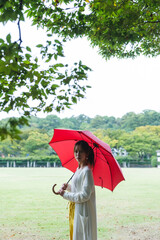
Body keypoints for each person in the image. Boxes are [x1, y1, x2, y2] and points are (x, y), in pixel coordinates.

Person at [58, 140, 97, 240]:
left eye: (81, 151)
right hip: (76, 208)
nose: (78, 154)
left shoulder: (87, 171)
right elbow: (77, 189)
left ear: (87, 153)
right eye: (76, 151)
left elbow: (85, 195)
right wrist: (68, 187)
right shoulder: (78, 169)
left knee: (84, 236)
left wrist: (65, 195)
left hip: (84, 211)